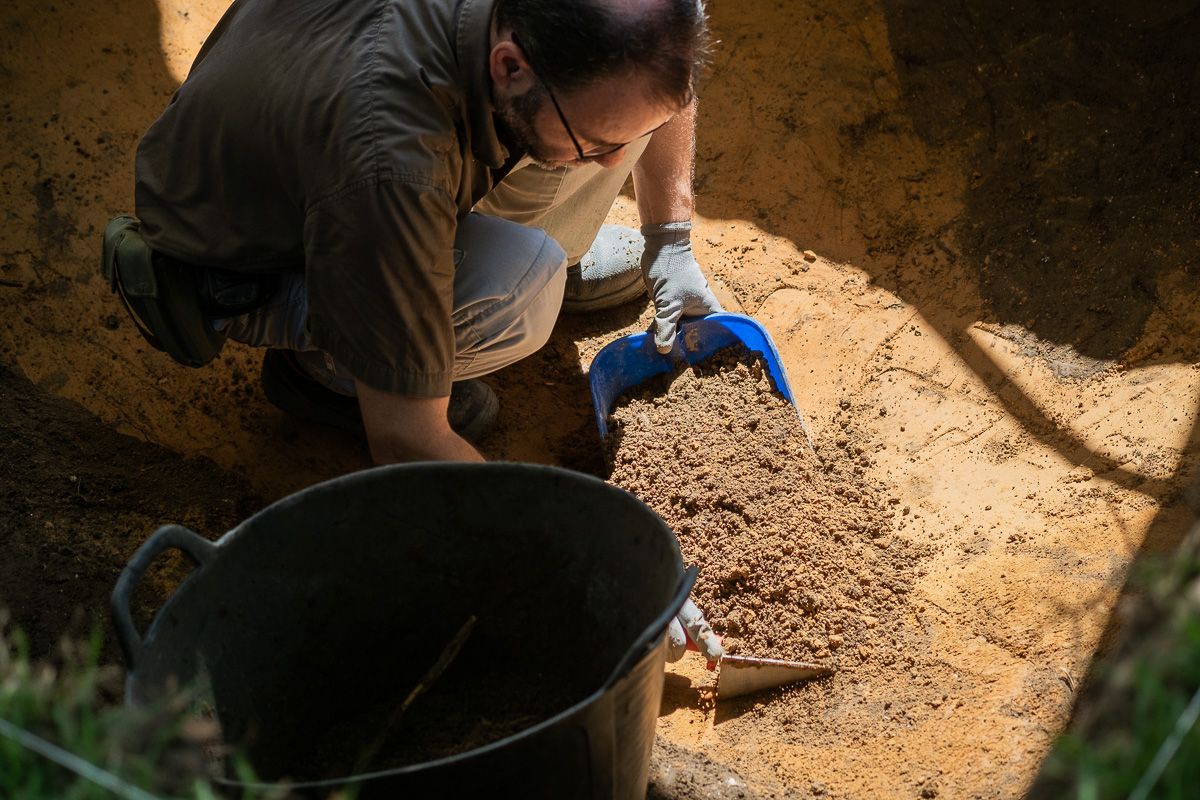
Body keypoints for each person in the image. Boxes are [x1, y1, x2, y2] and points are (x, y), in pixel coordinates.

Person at [103, 0, 722, 464]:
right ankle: (330, 374)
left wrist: (669, 239)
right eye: (600, 144)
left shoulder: (539, 42)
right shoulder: (392, 166)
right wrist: (581, 556)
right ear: (509, 66)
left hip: (341, 137)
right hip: (245, 248)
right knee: (525, 286)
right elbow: (408, 440)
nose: (618, 162)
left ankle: (530, 231)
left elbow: (659, 54)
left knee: (603, 113)